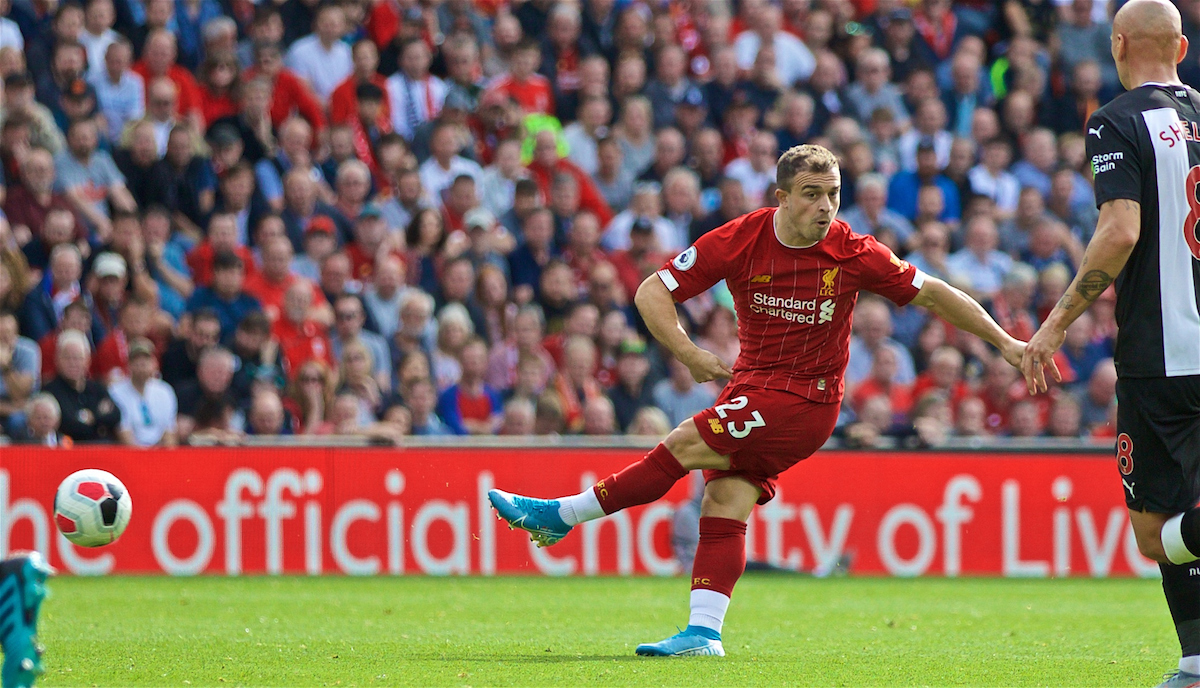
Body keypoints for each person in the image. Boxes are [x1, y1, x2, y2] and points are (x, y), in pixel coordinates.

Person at [489, 144, 1024, 657]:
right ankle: (704, 632)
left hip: (806, 401)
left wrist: (1006, 342)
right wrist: (690, 353)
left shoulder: (853, 251)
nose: (825, 207)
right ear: (782, 196)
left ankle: (562, 513)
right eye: (812, 194)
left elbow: (933, 292)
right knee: (724, 500)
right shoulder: (741, 239)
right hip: (752, 388)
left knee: (684, 442)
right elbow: (652, 290)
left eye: (833, 194)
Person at [1020, 3, 1200, 686]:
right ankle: (1195, 663)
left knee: (1157, 532)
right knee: (1186, 524)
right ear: (1181, 46)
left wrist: (1057, 322)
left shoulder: (1115, 118)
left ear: (1118, 43)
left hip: (1165, 356)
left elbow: (1120, 231)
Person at [107, 336, 177, 446]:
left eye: (146, 359)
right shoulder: (116, 392)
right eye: (136, 360)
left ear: (154, 363)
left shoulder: (165, 391)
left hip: (160, 452)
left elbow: (169, 432)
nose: (142, 364)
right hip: (131, 454)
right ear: (128, 364)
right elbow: (123, 432)